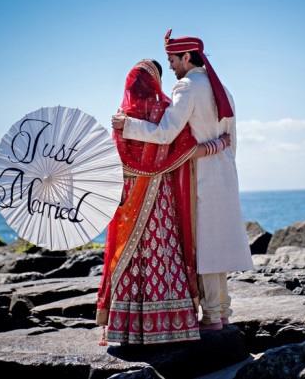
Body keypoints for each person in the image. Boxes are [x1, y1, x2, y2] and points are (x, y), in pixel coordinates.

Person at [111, 30, 253, 331]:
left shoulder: (187, 88)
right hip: (224, 172)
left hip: (198, 174)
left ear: (187, 56)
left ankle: (213, 317)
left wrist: (128, 126)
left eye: (172, 60)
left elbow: (165, 132)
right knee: (219, 243)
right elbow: (232, 140)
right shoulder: (222, 89)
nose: (171, 67)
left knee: (203, 245)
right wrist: (218, 151)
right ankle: (222, 312)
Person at [96, 59, 230, 345]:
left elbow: (112, 163)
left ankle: (127, 326)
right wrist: (218, 145)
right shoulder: (162, 110)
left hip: (129, 198)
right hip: (161, 198)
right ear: (155, 81)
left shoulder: (120, 119)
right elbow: (182, 148)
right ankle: (171, 323)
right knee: (164, 251)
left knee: (129, 256)